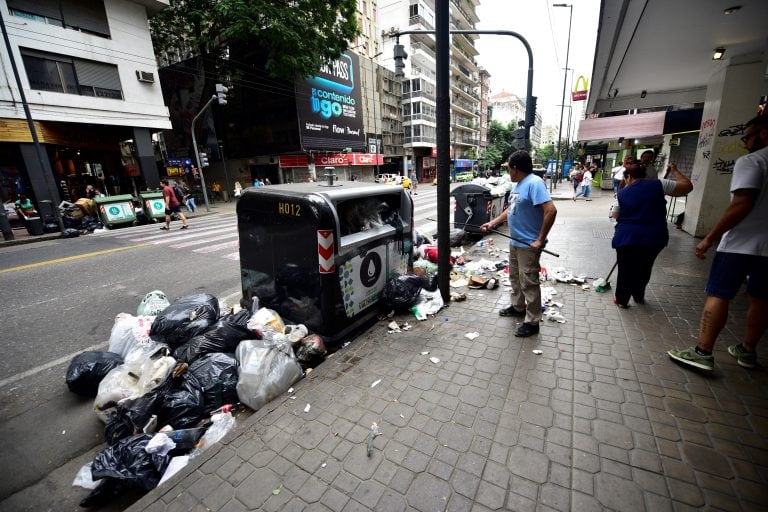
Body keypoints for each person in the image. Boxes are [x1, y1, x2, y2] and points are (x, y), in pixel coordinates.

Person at [668, 115, 768, 371]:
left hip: (741, 244)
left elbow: (743, 203)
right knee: (761, 298)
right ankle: (747, 349)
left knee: (719, 294)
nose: (745, 144)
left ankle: (703, 350)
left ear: (764, 133)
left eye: (747, 137)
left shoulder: (753, 161)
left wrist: (710, 237)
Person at [481, 150, 557, 337]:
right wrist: (492, 223)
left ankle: (532, 321)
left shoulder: (534, 183)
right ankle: (518, 307)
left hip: (528, 245)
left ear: (516, 168)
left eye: (509, 169)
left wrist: (539, 239)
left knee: (529, 282)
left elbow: (551, 210)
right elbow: (510, 210)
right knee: (515, 277)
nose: (508, 173)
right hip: (515, 242)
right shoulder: (519, 185)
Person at [609, 162, 692, 308]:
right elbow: (687, 186)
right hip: (654, 237)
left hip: (626, 237)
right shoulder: (660, 184)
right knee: (645, 267)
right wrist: (675, 170)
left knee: (625, 269)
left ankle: (622, 299)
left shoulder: (622, 194)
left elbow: (615, 215)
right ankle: (638, 295)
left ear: (627, 177)